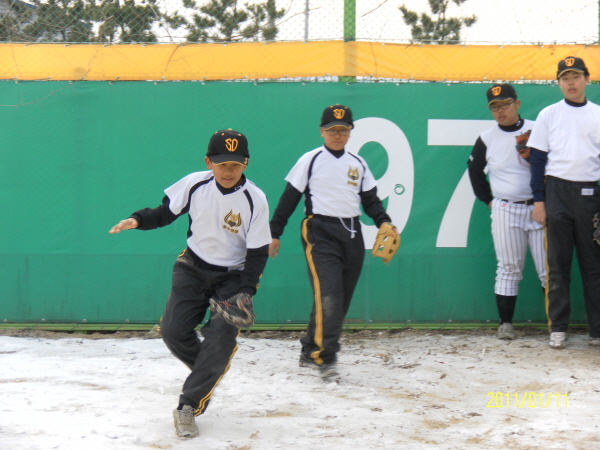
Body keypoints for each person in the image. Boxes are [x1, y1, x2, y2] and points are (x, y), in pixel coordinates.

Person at [109, 129, 271, 437]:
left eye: (235, 164)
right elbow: (164, 213)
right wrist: (138, 220)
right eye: (222, 163)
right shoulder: (195, 184)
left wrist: (246, 291)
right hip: (192, 267)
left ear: (246, 164)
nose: (228, 170)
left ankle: (188, 406)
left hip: (232, 277)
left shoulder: (255, 199)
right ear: (209, 162)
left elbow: (258, 251)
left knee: (219, 339)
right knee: (173, 332)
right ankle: (212, 364)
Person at [268, 104, 398, 382]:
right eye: (332, 130)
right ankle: (326, 359)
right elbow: (289, 197)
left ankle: (309, 348)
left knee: (339, 297)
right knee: (329, 294)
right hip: (319, 230)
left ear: (350, 132)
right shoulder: (311, 159)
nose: (337, 135)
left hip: (351, 233)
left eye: (343, 130)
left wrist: (384, 222)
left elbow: (371, 201)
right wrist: (274, 231)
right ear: (322, 132)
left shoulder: (358, 164)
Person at [528, 56, 600, 349]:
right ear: (558, 82)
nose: (571, 82)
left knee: (593, 265)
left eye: (576, 76)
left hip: (589, 195)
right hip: (556, 192)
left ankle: (596, 330)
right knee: (557, 264)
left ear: (587, 79)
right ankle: (558, 327)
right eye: (565, 78)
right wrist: (539, 202)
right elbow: (537, 160)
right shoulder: (548, 115)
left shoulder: (597, 114)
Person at [467, 84, 546, 340]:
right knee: (509, 267)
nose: (500, 110)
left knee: (548, 269)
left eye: (505, 104)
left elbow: (554, 165)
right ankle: (506, 324)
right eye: (495, 106)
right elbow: (474, 172)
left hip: (539, 207)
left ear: (518, 103)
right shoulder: (487, 138)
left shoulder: (537, 130)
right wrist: (489, 200)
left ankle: (556, 326)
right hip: (505, 208)